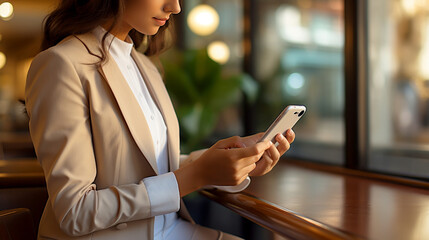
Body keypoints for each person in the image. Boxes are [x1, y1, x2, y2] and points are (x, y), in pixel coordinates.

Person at [25, 0, 295, 239]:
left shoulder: (146, 67)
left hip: (167, 230)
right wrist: (195, 176)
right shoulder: (62, 64)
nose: (175, 7)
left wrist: (232, 161)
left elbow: (146, 165)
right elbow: (75, 212)